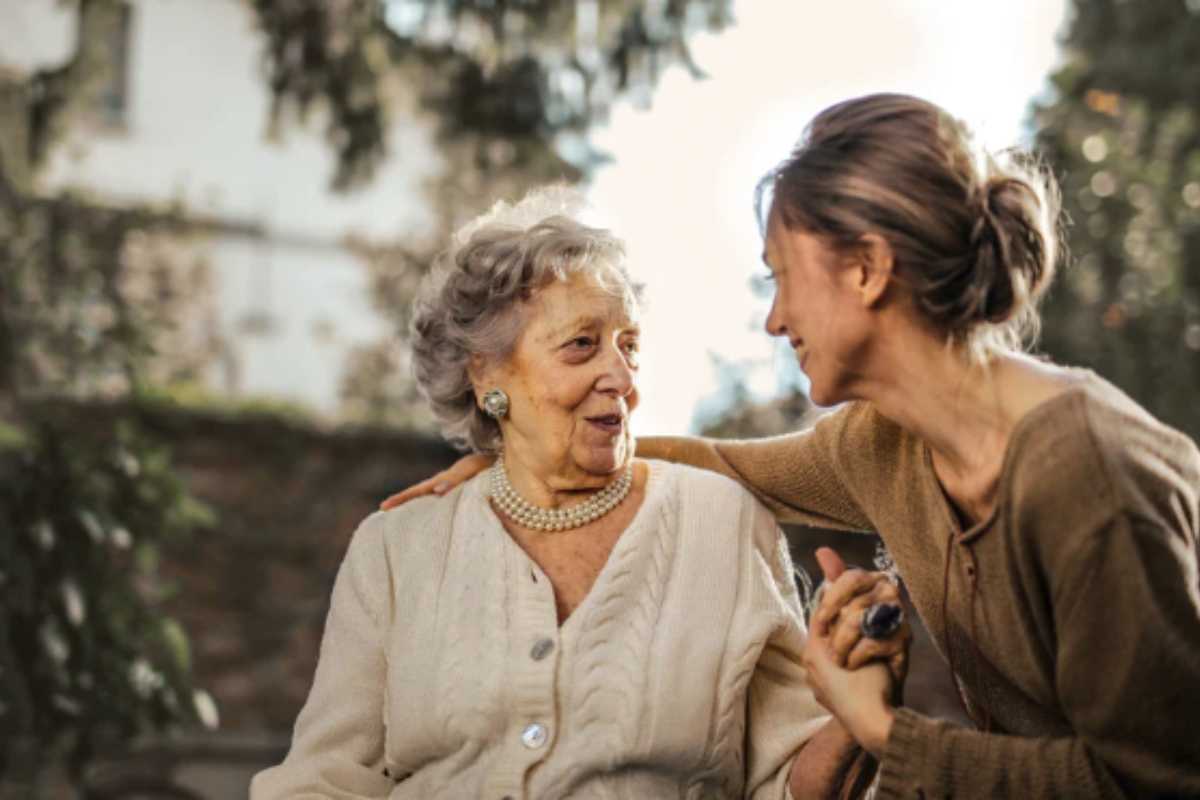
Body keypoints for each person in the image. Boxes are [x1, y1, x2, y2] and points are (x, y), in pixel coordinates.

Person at [382, 95, 1200, 798]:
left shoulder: (1086, 475)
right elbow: (720, 463)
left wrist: (879, 725)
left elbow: (1153, 782)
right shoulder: (884, 444)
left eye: (780, 275)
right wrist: (520, 455)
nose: (774, 319)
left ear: (868, 270)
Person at [252, 187, 909, 799]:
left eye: (629, 346)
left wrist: (857, 717)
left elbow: (787, 782)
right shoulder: (397, 549)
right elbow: (324, 779)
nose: (620, 377)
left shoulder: (724, 525)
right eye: (582, 346)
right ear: (486, 377)